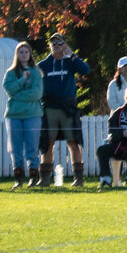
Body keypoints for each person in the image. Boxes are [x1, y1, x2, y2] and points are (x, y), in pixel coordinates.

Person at [38, 36, 90, 188]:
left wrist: (72, 55)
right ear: (50, 46)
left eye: (60, 43)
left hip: (68, 107)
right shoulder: (43, 64)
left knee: (73, 142)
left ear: (65, 45)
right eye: (53, 43)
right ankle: (45, 179)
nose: (56, 45)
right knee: (48, 143)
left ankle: (78, 179)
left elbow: (85, 70)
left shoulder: (70, 62)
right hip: (50, 108)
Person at [1, 42, 45, 188]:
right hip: (14, 115)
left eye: (26, 52)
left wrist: (17, 96)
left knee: (32, 147)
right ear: (17, 55)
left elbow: (37, 94)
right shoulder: (11, 73)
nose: (24, 54)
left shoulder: (36, 72)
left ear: (30, 54)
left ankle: (33, 177)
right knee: (15, 148)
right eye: (21, 52)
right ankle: (18, 179)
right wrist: (21, 80)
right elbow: (9, 88)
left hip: (32, 114)